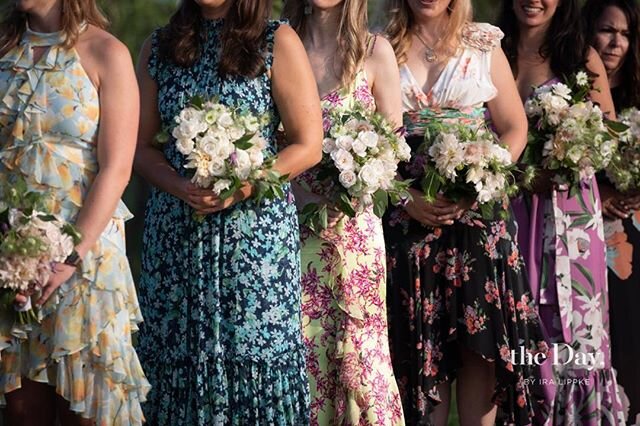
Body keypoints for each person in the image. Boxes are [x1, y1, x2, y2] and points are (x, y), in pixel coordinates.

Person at [133, 0, 323, 424]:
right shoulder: (158, 46)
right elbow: (140, 147)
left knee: (255, 359)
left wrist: (244, 185)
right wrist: (179, 186)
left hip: (253, 241)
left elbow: (308, 144)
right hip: (175, 237)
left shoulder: (277, 40)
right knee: (175, 358)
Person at [382, 0, 547, 424]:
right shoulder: (381, 44)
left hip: (478, 219)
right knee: (421, 352)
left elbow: (513, 126)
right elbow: (374, 136)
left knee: (481, 349)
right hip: (410, 217)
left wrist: (483, 180)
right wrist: (405, 198)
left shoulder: (483, 41)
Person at [0, 0, 149, 425]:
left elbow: (117, 167)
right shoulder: (2, 51)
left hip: (86, 258)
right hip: (13, 260)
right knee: (23, 410)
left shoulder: (106, 52)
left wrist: (68, 257)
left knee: (90, 411)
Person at [500, 0, 626, 423]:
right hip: (507, 209)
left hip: (570, 217)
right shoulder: (491, 51)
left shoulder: (581, 57)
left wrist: (571, 150)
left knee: (573, 331)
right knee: (520, 323)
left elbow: (606, 137)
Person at [281, 0, 404, 424]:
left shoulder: (375, 51)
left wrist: (354, 192)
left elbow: (393, 148)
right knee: (300, 349)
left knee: (358, 357)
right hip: (289, 227)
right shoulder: (276, 47)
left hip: (353, 233)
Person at [583, 0, 640, 422]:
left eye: (624, 33)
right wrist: (601, 190)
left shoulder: (638, 93)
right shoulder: (577, 93)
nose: (615, 42)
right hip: (589, 226)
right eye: (607, 30)